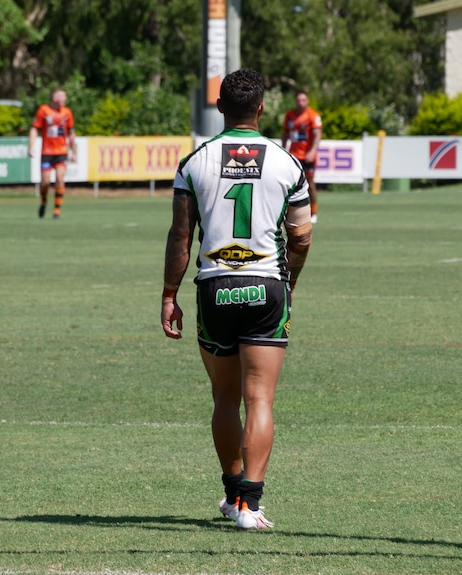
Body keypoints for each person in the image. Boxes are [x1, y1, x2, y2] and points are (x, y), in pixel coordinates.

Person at [160, 68, 313, 530]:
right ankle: (251, 505)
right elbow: (301, 236)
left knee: (225, 398)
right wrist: (291, 281)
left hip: (214, 288)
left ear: (220, 108)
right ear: (262, 108)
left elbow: (180, 237)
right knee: (259, 398)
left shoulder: (194, 162)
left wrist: (169, 295)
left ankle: (231, 497)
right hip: (265, 285)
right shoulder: (288, 162)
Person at [28, 87, 76, 219]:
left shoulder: (67, 112)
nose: (65, 99)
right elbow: (34, 129)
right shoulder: (44, 110)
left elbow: (71, 132)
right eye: (62, 96)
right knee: (45, 182)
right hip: (47, 153)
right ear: (55, 98)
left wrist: (74, 151)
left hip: (61, 152)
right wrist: (31, 146)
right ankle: (44, 201)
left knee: (60, 179)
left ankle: (57, 211)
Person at [281, 90, 322, 223]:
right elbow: (286, 133)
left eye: (303, 100)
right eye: (299, 100)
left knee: (310, 184)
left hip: (307, 156)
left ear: (307, 101)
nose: (301, 103)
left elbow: (317, 134)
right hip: (293, 155)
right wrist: (283, 148)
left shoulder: (313, 116)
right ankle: (288, 211)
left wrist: (312, 151)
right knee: (290, 184)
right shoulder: (290, 115)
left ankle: (313, 211)